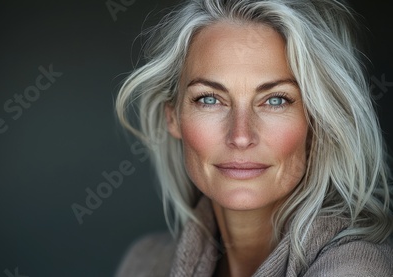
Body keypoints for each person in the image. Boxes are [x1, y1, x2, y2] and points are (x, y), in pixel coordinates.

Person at [114, 0, 393, 276]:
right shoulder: (145, 263)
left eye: (275, 100)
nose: (241, 136)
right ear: (173, 117)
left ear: (317, 120)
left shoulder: (356, 267)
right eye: (210, 99)